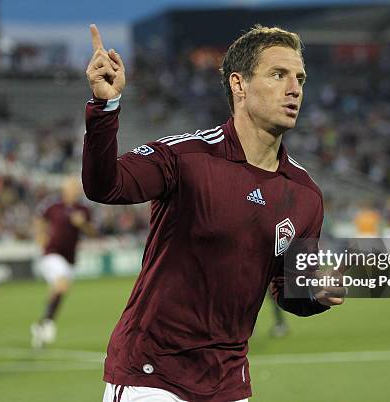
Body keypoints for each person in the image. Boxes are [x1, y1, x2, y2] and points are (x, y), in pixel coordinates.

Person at [83, 24, 347, 402]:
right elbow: (104, 186)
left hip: (228, 384)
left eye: (300, 78)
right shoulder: (186, 157)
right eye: (278, 75)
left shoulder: (305, 196)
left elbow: (289, 291)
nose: (295, 89)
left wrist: (317, 294)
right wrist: (106, 107)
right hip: (151, 378)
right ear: (239, 85)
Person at [30, 176, 94, 348]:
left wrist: (83, 224)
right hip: (51, 253)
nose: (76, 190)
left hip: (70, 258)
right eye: (72, 187)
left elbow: (92, 233)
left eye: (77, 188)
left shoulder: (83, 209)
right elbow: (39, 218)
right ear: (65, 189)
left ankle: (41, 324)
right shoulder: (53, 205)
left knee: (57, 291)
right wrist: (40, 235)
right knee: (62, 284)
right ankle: (49, 323)